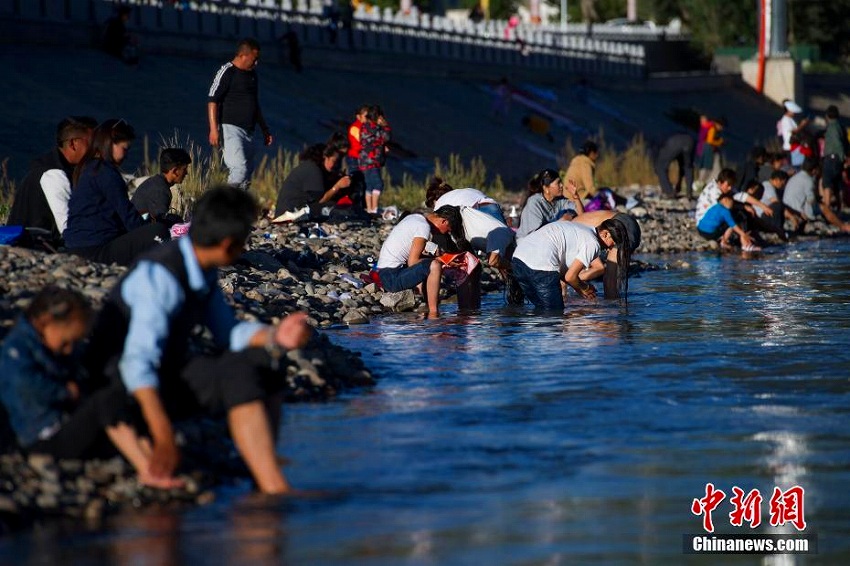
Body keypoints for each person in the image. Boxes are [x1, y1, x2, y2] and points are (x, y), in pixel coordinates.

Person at [83, 187, 312, 494]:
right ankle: (274, 489)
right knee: (238, 373)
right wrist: (163, 435)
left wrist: (275, 336)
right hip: (122, 387)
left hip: (165, 370)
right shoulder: (160, 276)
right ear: (229, 244)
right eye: (245, 240)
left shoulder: (201, 265)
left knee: (262, 361)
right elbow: (137, 364)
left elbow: (228, 334)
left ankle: (262, 463)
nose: (245, 248)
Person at [0, 287, 182, 488]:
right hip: (43, 436)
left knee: (120, 401)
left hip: (66, 423)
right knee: (103, 402)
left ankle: (152, 456)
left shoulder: (48, 346)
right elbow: (26, 388)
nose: (69, 350)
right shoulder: (16, 351)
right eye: (65, 343)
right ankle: (147, 469)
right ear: (45, 322)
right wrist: (67, 392)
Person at [64, 119, 171, 266]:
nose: (126, 155)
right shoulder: (106, 173)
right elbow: (128, 217)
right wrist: (149, 227)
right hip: (95, 250)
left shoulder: (88, 168)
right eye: (124, 149)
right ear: (109, 143)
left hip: (76, 246)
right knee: (159, 231)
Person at [7, 116, 97, 247]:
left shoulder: (52, 168)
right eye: (92, 142)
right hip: (39, 249)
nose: (97, 148)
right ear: (73, 144)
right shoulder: (54, 175)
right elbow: (70, 227)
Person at [511, 220, 626, 311]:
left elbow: (565, 274)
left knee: (541, 310)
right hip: (540, 266)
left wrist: (580, 287)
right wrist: (584, 288)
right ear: (605, 234)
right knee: (554, 315)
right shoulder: (593, 243)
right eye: (613, 244)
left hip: (518, 261)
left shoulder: (582, 230)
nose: (610, 249)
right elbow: (570, 277)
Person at [208, 38, 272, 190]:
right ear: (243, 55)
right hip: (230, 128)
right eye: (254, 59)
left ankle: (237, 211)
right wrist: (213, 129)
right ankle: (221, 206)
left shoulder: (252, 75)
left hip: (249, 131)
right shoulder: (227, 71)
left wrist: (264, 129)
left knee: (246, 177)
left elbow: (255, 104)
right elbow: (212, 100)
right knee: (239, 170)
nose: (256, 63)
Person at [374, 206, 463, 315]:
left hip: (385, 273)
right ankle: (433, 313)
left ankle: (424, 300)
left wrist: (436, 255)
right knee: (434, 265)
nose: (445, 234)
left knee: (430, 263)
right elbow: (413, 261)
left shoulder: (415, 218)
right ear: (444, 221)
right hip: (391, 278)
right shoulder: (423, 227)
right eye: (448, 230)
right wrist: (442, 260)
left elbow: (412, 252)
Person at [273, 140, 353, 221]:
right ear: (325, 157)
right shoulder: (313, 170)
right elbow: (320, 202)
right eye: (334, 161)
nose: (336, 165)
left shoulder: (311, 166)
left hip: (290, 212)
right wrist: (337, 186)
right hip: (289, 214)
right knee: (334, 207)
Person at [571, 210, 640, 299]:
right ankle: (615, 303)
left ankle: (611, 308)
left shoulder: (569, 234)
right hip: (627, 221)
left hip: (620, 225)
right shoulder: (574, 226)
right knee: (615, 275)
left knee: (610, 277)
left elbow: (598, 267)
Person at [694, 168, 772, 233]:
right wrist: (744, 206)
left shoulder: (725, 188)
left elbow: (742, 196)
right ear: (720, 183)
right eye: (728, 185)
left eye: (731, 185)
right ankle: (730, 238)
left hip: (712, 221)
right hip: (704, 224)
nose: (730, 188)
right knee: (734, 212)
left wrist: (763, 206)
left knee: (741, 210)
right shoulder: (714, 191)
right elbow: (726, 206)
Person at [784, 157, 850, 232]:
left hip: (788, 208)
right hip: (798, 211)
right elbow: (810, 201)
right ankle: (843, 226)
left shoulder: (796, 177)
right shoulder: (808, 180)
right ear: (814, 170)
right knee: (824, 207)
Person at [516, 168, 583, 239]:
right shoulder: (535, 202)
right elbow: (535, 235)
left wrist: (576, 196)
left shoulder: (560, 200)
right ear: (546, 188)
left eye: (561, 182)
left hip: (548, 241)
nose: (561, 185)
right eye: (558, 183)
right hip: (528, 243)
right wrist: (560, 222)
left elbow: (581, 214)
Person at [131, 148, 191, 223]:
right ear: (175, 171)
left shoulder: (155, 182)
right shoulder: (160, 190)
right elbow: (160, 223)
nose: (186, 173)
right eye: (184, 169)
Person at [425, 177, 505, 222]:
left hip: (478, 212)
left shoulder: (440, 203)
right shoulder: (464, 191)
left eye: (432, 205)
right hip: (493, 207)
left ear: (435, 200)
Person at [359, 106, 391, 215]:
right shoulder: (372, 127)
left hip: (368, 161)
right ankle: (373, 208)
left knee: (370, 184)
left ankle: (370, 208)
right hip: (371, 161)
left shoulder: (366, 127)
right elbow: (384, 138)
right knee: (378, 184)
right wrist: (385, 126)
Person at [821, 105, 849, 215]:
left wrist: (842, 156)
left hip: (832, 158)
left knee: (827, 182)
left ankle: (827, 207)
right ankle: (840, 205)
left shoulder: (832, 127)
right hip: (838, 159)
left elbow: (838, 144)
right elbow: (846, 144)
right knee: (838, 182)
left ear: (827, 116)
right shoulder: (841, 127)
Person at [654, 133, 695, 199]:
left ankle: (669, 192)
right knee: (687, 167)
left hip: (674, 142)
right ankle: (689, 192)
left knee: (660, 167)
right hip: (689, 140)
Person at [697, 117, 724, 183]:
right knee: (707, 166)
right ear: (718, 124)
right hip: (708, 149)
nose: (721, 128)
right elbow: (709, 141)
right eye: (721, 126)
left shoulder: (711, 127)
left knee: (706, 166)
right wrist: (719, 142)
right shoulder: (712, 129)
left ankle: (701, 181)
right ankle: (701, 182)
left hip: (705, 148)